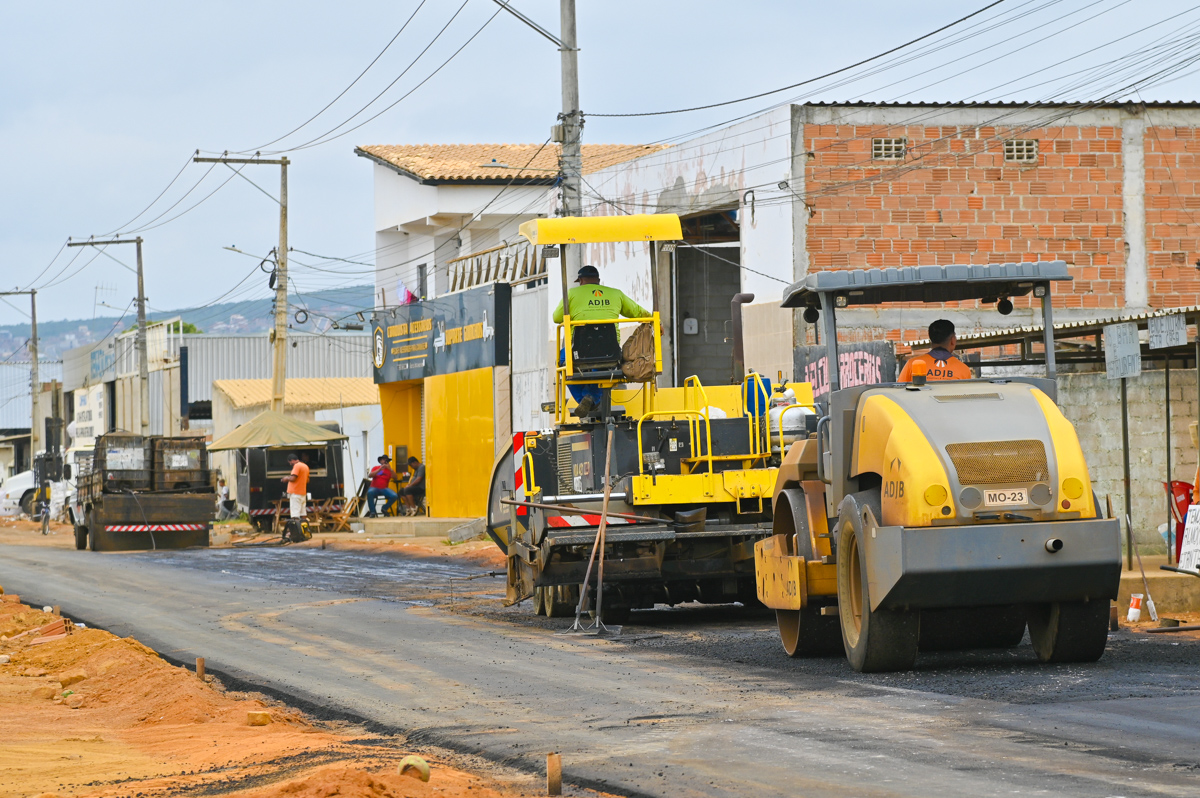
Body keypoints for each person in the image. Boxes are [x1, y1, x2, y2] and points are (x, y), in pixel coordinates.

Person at [552, 265, 651, 414]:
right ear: (598, 280)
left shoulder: (572, 294)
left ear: (580, 280)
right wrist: (656, 322)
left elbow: (556, 318)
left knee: (562, 362)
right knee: (604, 367)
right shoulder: (615, 294)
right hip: (610, 352)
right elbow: (637, 311)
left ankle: (584, 399)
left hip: (578, 353)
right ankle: (592, 397)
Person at [898, 319, 974, 382]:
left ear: (931, 338)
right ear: (953, 340)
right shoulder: (963, 369)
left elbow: (899, 391)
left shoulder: (912, 364)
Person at [281, 452, 310, 525]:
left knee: (295, 515)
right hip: (303, 493)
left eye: (290, 462)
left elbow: (293, 478)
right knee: (303, 514)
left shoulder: (297, 466)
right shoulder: (305, 466)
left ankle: (296, 532)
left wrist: (286, 478)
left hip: (295, 493)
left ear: (292, 460)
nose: (290, 464)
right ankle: (304, 531)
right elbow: (307, 480)